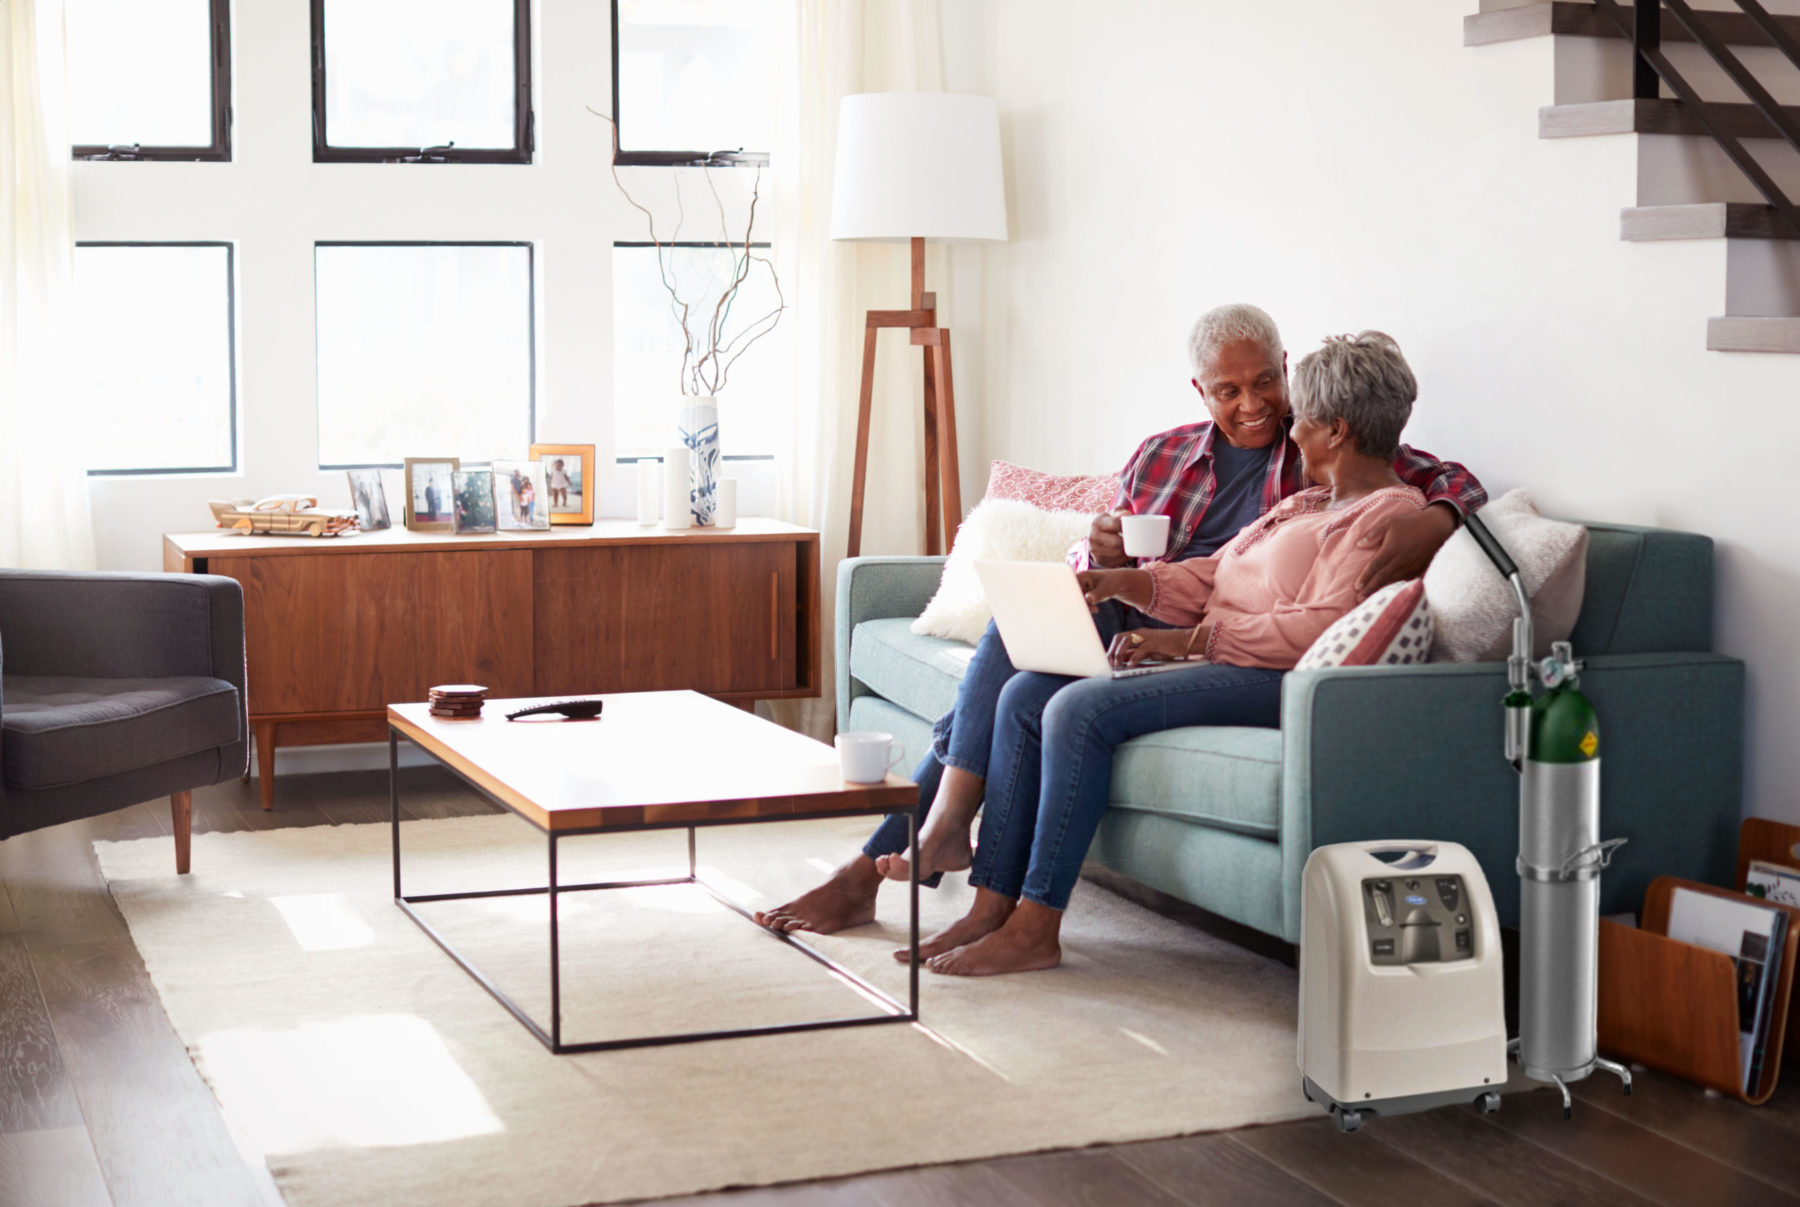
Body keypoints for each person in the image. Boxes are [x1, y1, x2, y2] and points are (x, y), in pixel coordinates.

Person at [752, 304, 1484, 936]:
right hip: (1142, 600)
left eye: (1266, 381)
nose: (1255, 404)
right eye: (1229, 390)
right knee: (1021, 632)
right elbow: (1119, 546)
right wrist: (1094, 550)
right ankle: (938, 836)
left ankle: (905, 852)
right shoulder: (1162, 455)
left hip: (1204, 625)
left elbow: (1425, 473)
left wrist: (1443, 515)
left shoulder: (1315, 449)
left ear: (1286, 371)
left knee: (1026, 686)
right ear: (1201, 390)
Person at [925, 330, 1426, 974]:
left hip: (1273, 677)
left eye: (1299, 418)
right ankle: (992, 904)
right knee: (1025, 694)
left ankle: (1037, 925)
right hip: (1225, 660)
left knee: (1077, 710)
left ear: (1336, 430)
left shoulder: (1386, 518)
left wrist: (1190, 640)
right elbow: (1212, 575)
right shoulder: (1307, 503)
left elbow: (1321, 625)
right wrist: (1122, 581)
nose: (1287, 429)